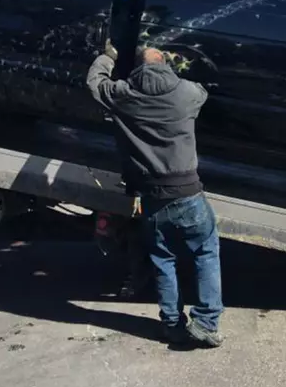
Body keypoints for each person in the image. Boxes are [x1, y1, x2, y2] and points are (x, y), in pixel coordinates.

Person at [86, 42, 224, 348]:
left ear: (138, 68)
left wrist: (108, 57)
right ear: (166, 64)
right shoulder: (185, 93)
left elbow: (94, 82)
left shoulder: (124, 96)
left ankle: (173, 326)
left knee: (163, 259)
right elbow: (205, 87)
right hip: (189, 194)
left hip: (153, 199)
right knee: (206, 253)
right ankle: (206, 323)